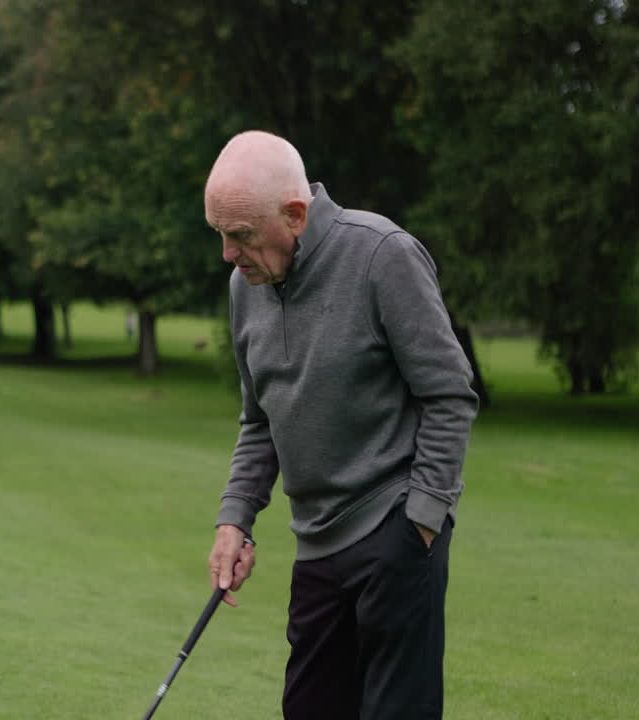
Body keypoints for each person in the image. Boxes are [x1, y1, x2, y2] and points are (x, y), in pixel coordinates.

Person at [203, 131, 478, 720]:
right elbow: (259, 420)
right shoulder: (244, 287)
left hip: (395, 529)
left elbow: (450, 393)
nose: (228, 253)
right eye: (220, 235)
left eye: (241, 235)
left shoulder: (382, 255)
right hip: (318, 545)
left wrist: (422, 522)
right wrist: (235, 519)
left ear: (295, 215)